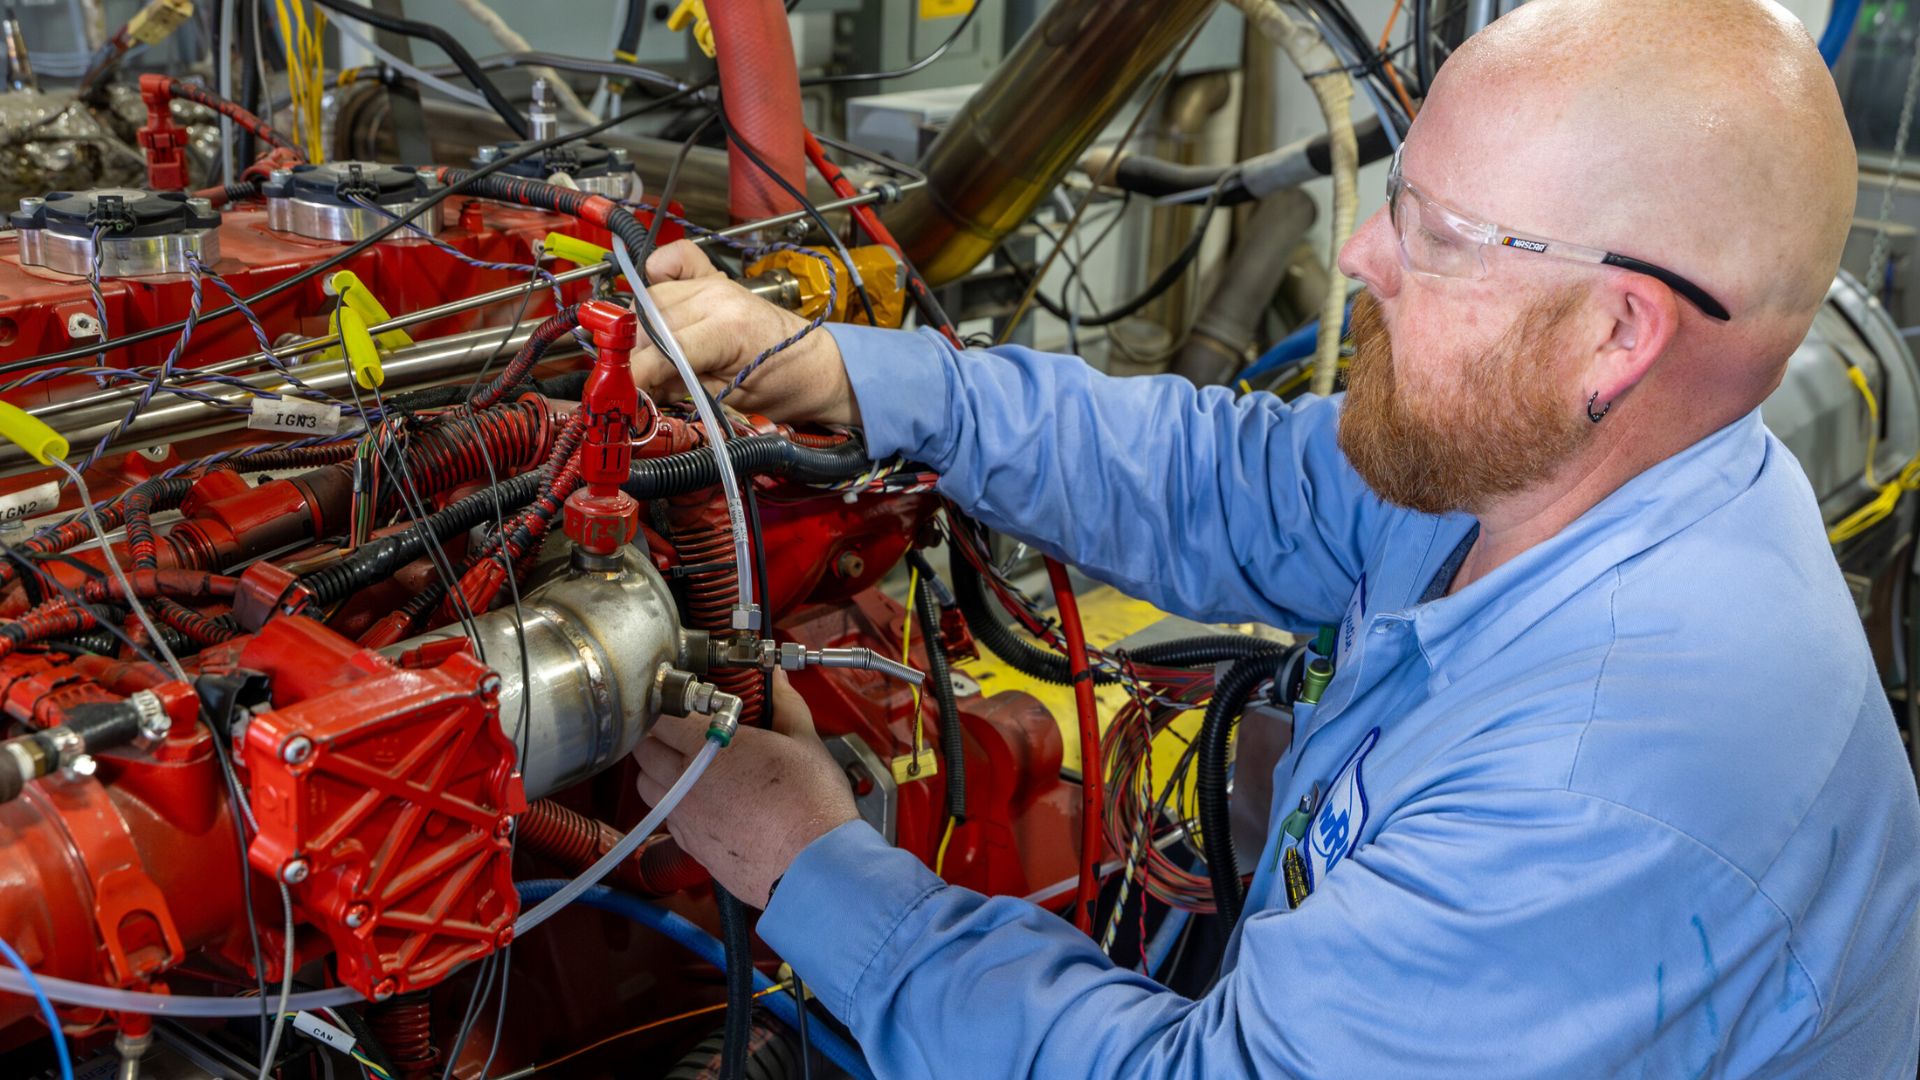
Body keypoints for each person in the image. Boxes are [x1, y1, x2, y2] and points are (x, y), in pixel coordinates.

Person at [628, 0, 1920, 1073]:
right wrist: (851, 374)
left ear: (1617, 336)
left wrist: (812, 869)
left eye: (1435, 230)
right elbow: (1223, 480)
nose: (1362, 252)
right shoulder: (1552, 473)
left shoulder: (1604, 789)